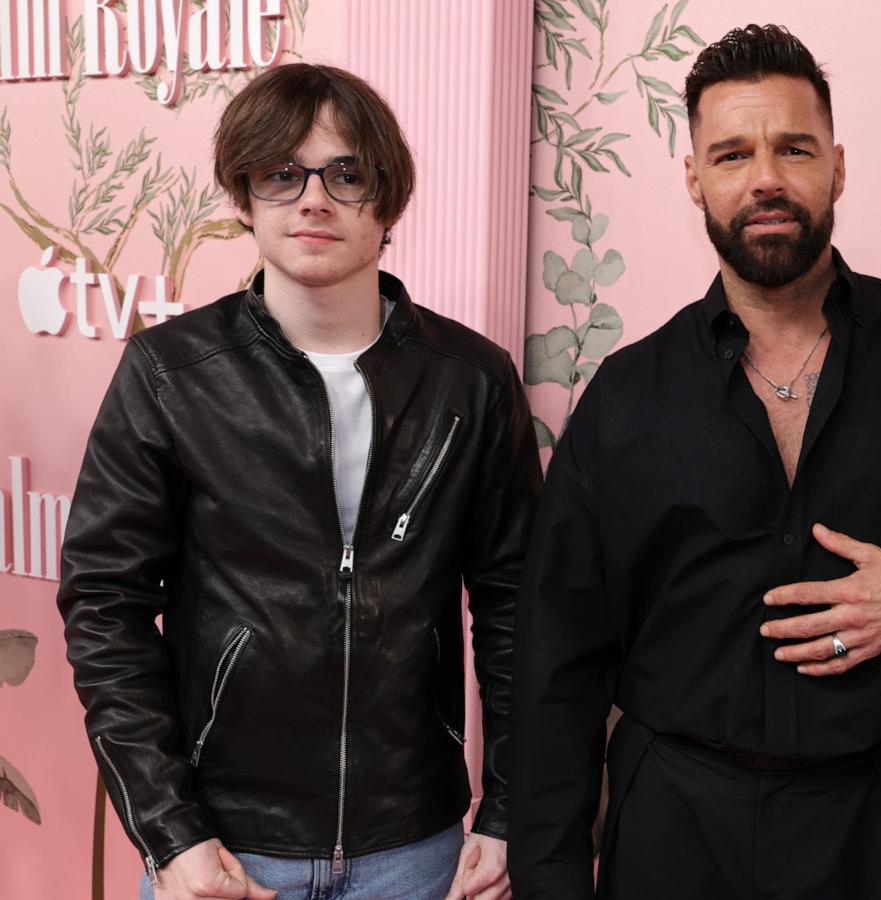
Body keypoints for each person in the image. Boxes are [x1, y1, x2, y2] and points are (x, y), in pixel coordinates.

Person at [508, 24, 881, 900]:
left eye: (792, 148)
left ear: (837, 167)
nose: (765, 176)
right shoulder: (623, 395)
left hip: (867, 818)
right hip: (669, 824)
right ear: (696, 179)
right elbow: (556, 661)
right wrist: (549, 877)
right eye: (732, 153)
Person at [57, 63, 539, 900]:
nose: (313, 199)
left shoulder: (470, 380)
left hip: (415, 848)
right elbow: (106, 606)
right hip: (227, 849)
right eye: (281, 173)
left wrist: (510, 810)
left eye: (346, 173)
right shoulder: (172, 374)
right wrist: (172, 838)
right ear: (243, 197)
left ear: (386, 201)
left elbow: (516, 607)